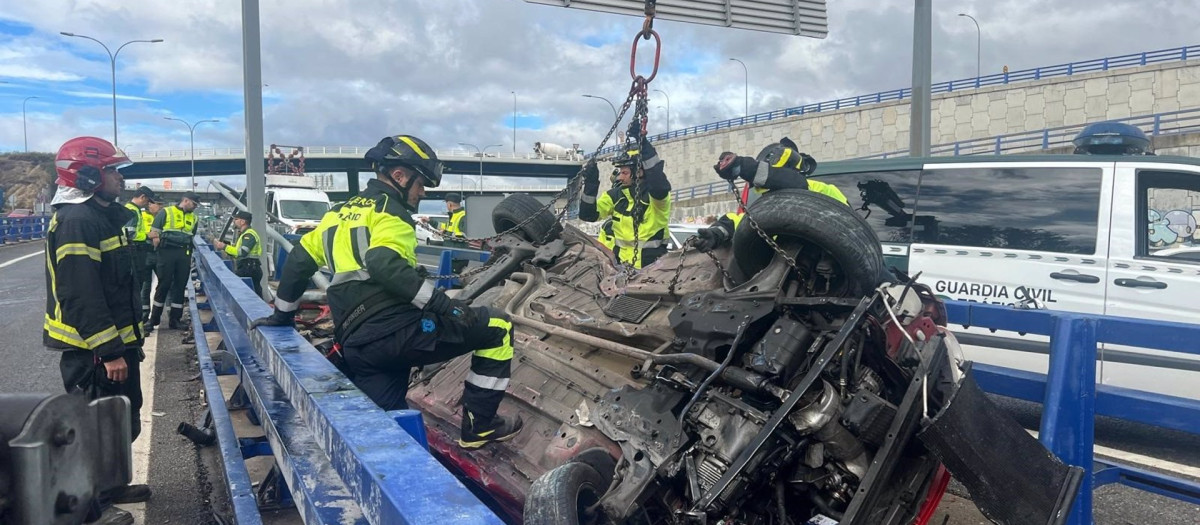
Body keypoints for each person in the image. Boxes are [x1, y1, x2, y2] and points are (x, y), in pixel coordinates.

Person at [251, 134, 521, 449]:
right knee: (498, 327)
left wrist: (283, 317)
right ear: (399, 176)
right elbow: (383, 263)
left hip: (357, 344)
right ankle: (479, 428)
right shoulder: (391, 213)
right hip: (397, 334)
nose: (422, 193)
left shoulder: (337, 214)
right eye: (421, 184)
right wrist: (445, 307)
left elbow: (298, 262)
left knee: (384, 428)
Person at [45, 136, 151, 524]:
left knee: (119, 422)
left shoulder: (100, 216)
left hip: (115, 345)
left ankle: (108, 488)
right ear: (87, 175)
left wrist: (126, 343)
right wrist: (108, 350)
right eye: (111, 170)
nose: (119, 179)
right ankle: (92, 511)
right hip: (93, 352)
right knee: (92, 433)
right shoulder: (78, 221)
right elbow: (79, 293)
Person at [694, 137, 846, 252]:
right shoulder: (766, 206)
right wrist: (716, 233)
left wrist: (746, 168)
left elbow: (796, 188)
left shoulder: (821, 191)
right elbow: (738, 221)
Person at [579, 123, 673, 268]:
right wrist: (590, 185)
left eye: (625, 173)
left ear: (640, 172)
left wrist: (643, 142)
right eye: (620, 172)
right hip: (620, 269)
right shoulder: (615, 196)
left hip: (651, 270)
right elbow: (588, 215)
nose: (619, 178)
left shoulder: (656, 198)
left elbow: (658, 181)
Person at [146, 192, 200, 331]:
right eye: (194, 204)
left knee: (180, 286)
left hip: (184, 253)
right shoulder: (166, 212)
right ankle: (153, 320)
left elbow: (191, 235)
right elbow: (154, 233)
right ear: (186, 200)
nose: (195, 207)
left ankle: (175, 319)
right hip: (167, 252)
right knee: (164, 285)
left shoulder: (194, 218)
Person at [123, 187, 158, 321]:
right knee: (136, 285)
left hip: (136, 250)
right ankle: (135, 318)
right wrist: (147, 235)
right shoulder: (132, 211)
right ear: (142, 197)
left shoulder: (134, 210)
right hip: (134, 250)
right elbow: (129, 233)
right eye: (148, 201)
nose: (148, 204)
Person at [214, 210, 263, 297]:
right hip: (248, 267)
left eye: (236, 219)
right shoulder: (244, 234)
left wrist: (224, 247)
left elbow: (241, 252)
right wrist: (226, 248)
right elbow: (237, 253)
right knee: (252, 294)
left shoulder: (249, 235)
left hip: (249, 269)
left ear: (243, 221)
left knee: (252, 294)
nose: (234, 221)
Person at [140, 199, 163, 321]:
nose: (159, 206)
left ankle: (159, 315)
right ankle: (144, 314)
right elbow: (136, 233)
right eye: (157, 204)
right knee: (145, 285)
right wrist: (148, 235)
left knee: (164, 283)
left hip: (160, 253)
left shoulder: (164, 216)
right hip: (146, 252)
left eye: (160, 204)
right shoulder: (141, 215)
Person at [440, 193, 469, 274]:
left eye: (446, 204)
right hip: (452, 255)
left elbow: (463, 235)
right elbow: (446, 227)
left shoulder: (462, 215)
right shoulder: (453, 215)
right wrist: (430, 221)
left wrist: (446, 234)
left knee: (455, 281)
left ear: (449, 204)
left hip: (458, 257)